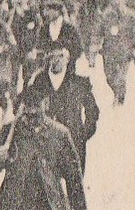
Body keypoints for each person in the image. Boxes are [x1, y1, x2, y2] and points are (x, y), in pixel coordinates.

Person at [20, 47, 101, 175]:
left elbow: (93, 111)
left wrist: (83, 135)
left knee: (74, 185)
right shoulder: (38, 81)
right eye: (53, 57)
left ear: (67, 60)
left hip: (74, 144)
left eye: (61, 56)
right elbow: (21, 105)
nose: (57, 60)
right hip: (45, 144)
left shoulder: (79, 83)